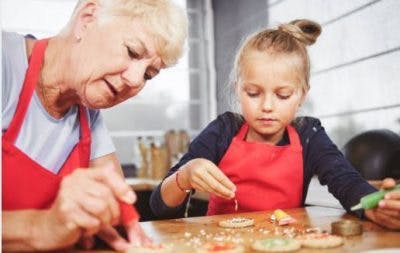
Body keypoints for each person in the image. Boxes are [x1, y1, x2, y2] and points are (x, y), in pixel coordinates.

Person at [150, 19, 400, 230]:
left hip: (285, 241)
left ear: (302, 95)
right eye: (253, 93)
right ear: (238, 90)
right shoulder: (223, 131)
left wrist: (376, 206)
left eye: (282, 95)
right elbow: (159, 207)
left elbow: (345, 181)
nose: (267, 106)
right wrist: (184, 176)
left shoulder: (308, 135)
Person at [2, 0, 187, 251]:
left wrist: (123, 227)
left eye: (147, 75)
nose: (135, 81)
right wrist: (41, 227)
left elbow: (121, 210)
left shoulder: (89, 115)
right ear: (87, 20)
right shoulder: (4, 62)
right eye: (132, 52)